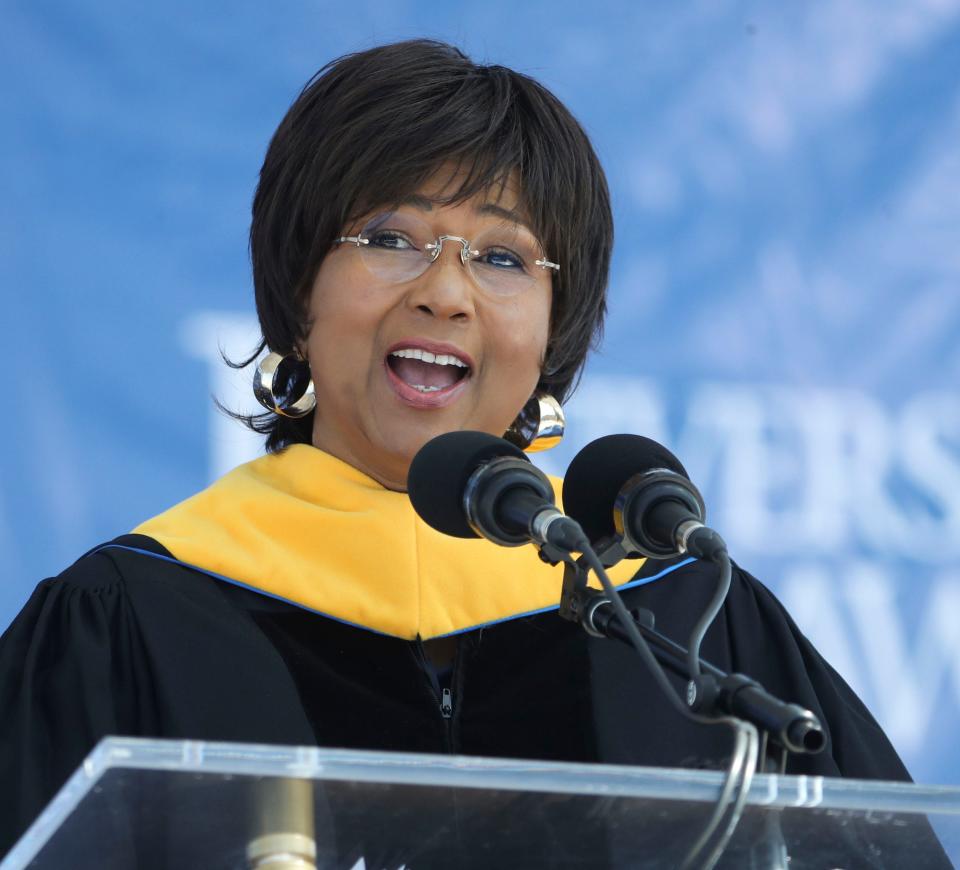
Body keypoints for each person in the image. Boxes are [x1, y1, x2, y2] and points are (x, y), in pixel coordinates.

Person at [0, 39, 922, 865]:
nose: (445, 293)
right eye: (390, 238)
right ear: (298, 289)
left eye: (505, 257)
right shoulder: (131, 618)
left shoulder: (682, 623)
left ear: (556, 329)